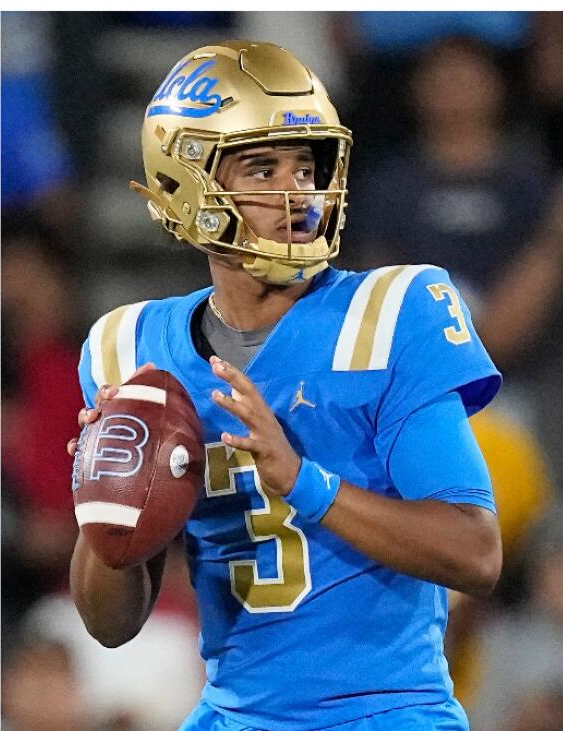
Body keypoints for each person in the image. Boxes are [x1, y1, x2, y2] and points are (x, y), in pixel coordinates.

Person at [66, 41, 503, 731]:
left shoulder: (391, 312)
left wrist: (304, 480)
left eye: (308, 165)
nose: (297, 192)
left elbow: (476, 552)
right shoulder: (130, 351)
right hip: (233, 713)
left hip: (385, 713)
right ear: (186, 179)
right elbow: (109, 625)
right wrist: (109, 511)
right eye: (263, 167)